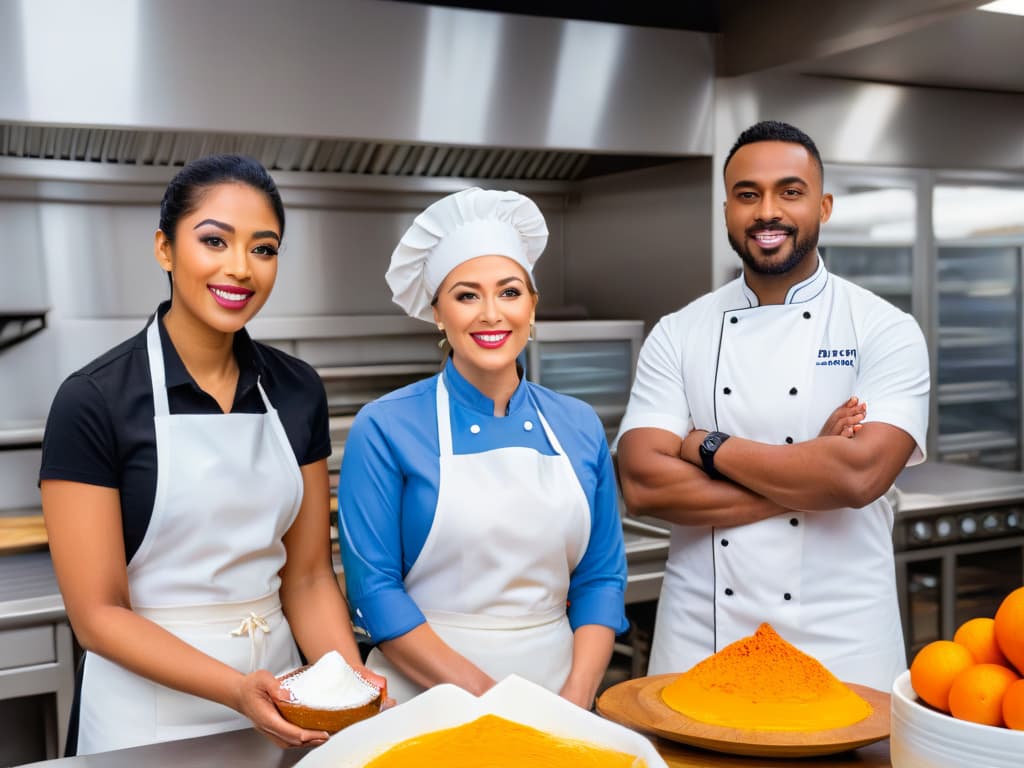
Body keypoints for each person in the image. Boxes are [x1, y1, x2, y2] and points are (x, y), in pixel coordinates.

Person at [39, 154, 383, 755]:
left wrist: (349, 691)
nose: (239, 268)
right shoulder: (93, 400)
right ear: (165, 249)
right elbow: (97, 613)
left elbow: (305, 578)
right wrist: (234, 689)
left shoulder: (297, 391)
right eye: (214, 241)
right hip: (140, 719)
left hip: (281, 701)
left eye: (263, 248)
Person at [615, 121, 930, 691]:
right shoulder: (678, 331)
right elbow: (643, 484)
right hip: (703, 635)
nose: (767, 212)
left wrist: (701, 445)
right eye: (747, 194)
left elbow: (859, 476)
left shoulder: (885, 329)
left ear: (824, 205)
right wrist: (811, 470)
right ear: (728, 209)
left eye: (790, 191)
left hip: (841, 641)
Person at [337, 187, 628, 708]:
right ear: (438, 313)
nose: (492, 314)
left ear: (532, 305)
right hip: (424, 695)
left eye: (510, 292)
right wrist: (492, 700)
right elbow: (374, 592)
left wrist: (575, 700)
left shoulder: (579, 426)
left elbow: (601, 577)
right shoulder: (384, 427)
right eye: (467, 295)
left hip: (559, 693)